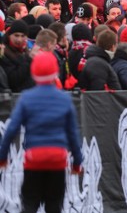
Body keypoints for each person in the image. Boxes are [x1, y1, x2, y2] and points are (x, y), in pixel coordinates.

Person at [0, 52, 83, 213]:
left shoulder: (27, 98)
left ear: (33, 71)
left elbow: (12, 130)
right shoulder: (64, 99)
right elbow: (73, 133)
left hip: (34, 157)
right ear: (56, 72)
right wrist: (77, 162)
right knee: (54, 205)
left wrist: (3, 156)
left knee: (30, 203)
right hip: (58, 157)